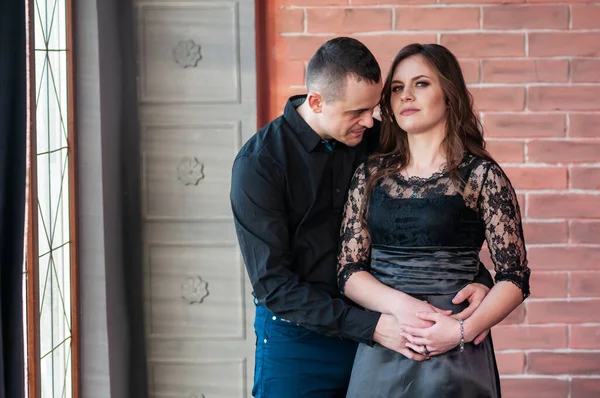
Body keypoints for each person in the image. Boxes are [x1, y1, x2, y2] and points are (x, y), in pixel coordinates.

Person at [230, 37, 494, 398]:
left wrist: (476, 278)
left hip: (386, 337)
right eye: (356, 112)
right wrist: (373, 327)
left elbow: (429, 218)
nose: (369, 121)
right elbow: (274, 286)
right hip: (299, 344)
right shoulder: (260, 164)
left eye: (373, 108)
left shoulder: (376, 139)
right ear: (317, 101)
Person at [337, 43, 531, 398]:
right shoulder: (370, 175)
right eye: (397, 88)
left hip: (457, 351)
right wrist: (400, 309)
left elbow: (515, 277)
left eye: (421, 84)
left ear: (449, 95)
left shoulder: (482, 175)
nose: (406, 95)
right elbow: (349, 270)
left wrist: (461, 332)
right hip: (386, 344)